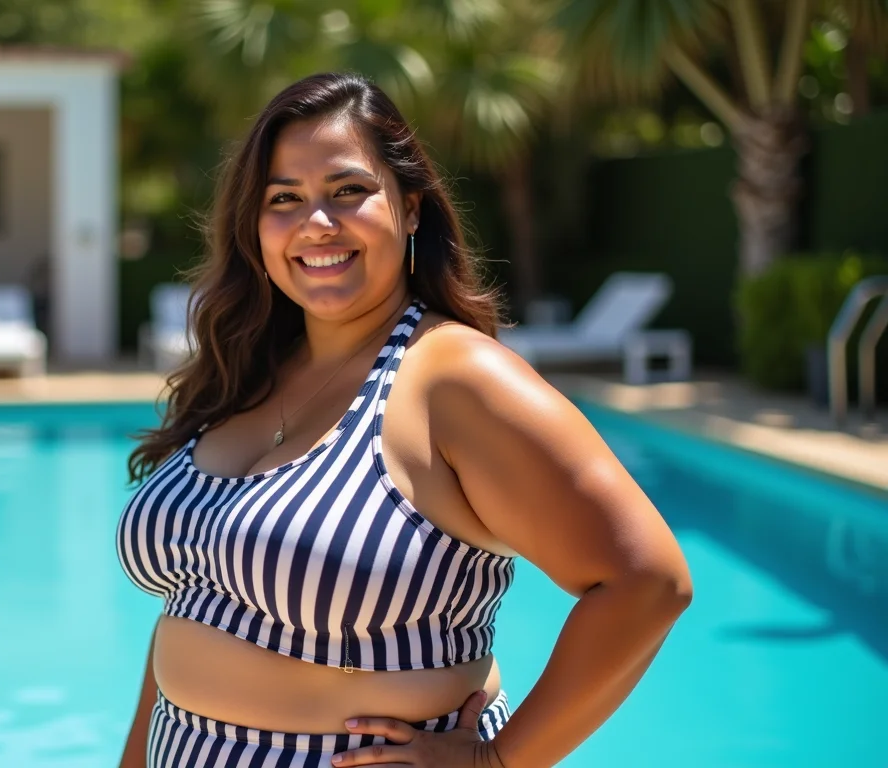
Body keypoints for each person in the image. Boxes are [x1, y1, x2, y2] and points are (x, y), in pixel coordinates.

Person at [115, 72, 692, 768]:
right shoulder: (247, 373)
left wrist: (496, 762)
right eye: (284, 199)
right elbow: (191, 608)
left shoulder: (453, 378)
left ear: (411, 207)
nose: (316, 223)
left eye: (349, 191)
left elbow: (648, 582)